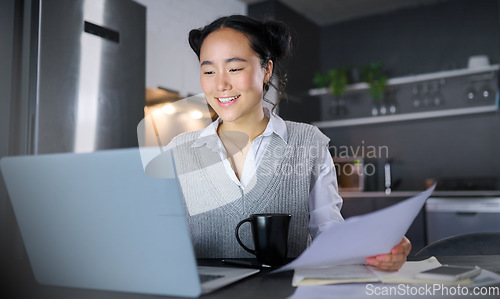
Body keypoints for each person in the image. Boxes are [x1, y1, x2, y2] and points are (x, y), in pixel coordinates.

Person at [169, 15, 410, 271]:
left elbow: (328, 231)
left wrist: (375, 246)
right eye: (208, 71)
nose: (220, 84)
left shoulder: (308, 142)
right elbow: (163, 237)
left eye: (235, 68)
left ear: (267, 70)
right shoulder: (179, 150)